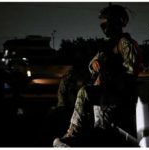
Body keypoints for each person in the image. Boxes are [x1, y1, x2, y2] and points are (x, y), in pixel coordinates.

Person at [53, 4, 141, 147]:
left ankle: (72, 134)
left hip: (118, 93)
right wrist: (95, 65)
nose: (103, 27)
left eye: (106, 23)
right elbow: (93, 63)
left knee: (85, 93)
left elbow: (131, 72)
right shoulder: (108, 44)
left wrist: (109, 76)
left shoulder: (125, 43)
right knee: (100, 128)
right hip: (106, 91)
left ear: (114, 22)